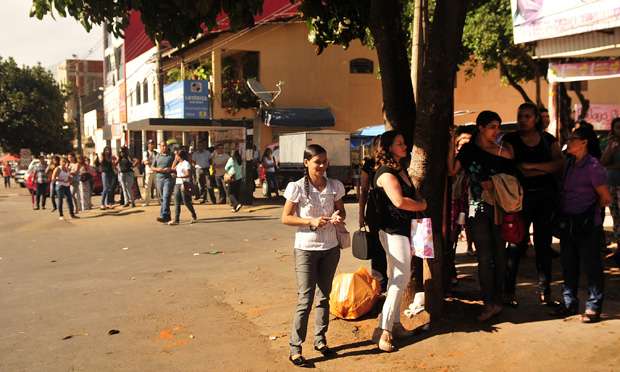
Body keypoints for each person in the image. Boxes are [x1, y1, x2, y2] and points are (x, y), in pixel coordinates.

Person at [448, 111, 517, 321]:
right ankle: (489, 303)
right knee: (485, 257)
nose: (496, 131)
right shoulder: (468, 150)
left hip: (500, 207)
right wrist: (451, 143)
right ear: (480, 127)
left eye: (498, 127)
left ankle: (498, 300)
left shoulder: (502, 150)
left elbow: (512, 166)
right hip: (476, 207)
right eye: (492, 127)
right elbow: (452, 171)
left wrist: (496, 150)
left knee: (500, 255)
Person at [281, 144, 346, 367]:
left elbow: (342, 210)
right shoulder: (297, 187)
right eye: (317, 162)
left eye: (324, 162)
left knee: (324, 296)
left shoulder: (334, 185)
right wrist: (310, 222)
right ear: (306, 162)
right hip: (306, 249)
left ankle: (320, 340)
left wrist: (338, 216)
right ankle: (295, 347)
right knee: (305, 298)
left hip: (330, 248)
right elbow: (286, 217)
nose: (321, 166)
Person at [371, 130, 427, 352]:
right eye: (400, 144)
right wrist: (422, 206)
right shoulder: (386, 173)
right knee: (401, 277)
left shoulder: (400, 169)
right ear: (389, 147)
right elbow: (399, 201)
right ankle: (384, 329)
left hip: (403, 230)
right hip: (393, 230)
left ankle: (394, 324)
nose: (405, 146)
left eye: (404, 143)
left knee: (398, 276)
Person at [502, 103, 564, 306]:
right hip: (520, 199)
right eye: (520, 115)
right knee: (515, 245)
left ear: (536, 118)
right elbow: (516, 168)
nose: (522, 119)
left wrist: (533, 166)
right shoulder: (510, 139)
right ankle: (509, 291)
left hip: (546, 198)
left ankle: (545, 291)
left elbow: (559, 164)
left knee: (543, 245)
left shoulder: (548, 140)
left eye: (527, 116)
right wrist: (542, 169)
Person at [554, 126, 611, 323]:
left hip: (587, 225)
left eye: (573, 138)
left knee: (592, 266)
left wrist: (590, 212)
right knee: (568, 265)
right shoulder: (569, 164)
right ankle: (569, 304)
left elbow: (606, 198)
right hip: (568, 223)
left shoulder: (593, 167)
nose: (568, 141)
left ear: (584, 142)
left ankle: (593, 306)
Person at [358, 136, 388, 291]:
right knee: (377, 246)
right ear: (376, 147)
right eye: (380, 145)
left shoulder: (392, 162)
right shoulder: (369, 164)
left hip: (392, 210)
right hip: (374, 209)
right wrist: (361, 214)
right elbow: (363, 190)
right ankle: (379, 280)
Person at [601, 118, 620, 246]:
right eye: (618, 127)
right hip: (613, 184)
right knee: (616, 216)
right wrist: (612, 147)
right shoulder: (610, 143)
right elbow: (604, 161)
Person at [169, 149, 197, 225]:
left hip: (184, 184)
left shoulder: (186, 163)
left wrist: (179, 176)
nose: (175, 157)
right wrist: (175, 161)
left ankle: (193, 214)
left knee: (186, 201)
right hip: (177, 184)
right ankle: (176, 219)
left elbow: (188, 174)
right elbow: (172, 169)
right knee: (176, 202)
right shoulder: (179, 164)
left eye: (176, 155)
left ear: (180, 156)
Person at [151, 141, 175, 223]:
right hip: (159, 178)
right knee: (162, 199)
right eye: (162, 146)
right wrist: (159, 169)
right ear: (160, 147)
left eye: (165, 146)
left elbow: (176, 165)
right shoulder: (157, 156)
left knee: (166, 196)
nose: (164, 147)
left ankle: (164, 215)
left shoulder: (171, 156)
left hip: (168, 178)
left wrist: (170, 169)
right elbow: (152, 167)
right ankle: (167, 216)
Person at [142, 140, 159, 206]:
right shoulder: (145, 152)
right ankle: (146, 202)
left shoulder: (156, 153)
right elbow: (145, 162)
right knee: (147, 187)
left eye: (152, 143)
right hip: (148, 171)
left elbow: (158, 161)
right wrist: (153, 162)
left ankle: (160, 201)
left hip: (155, 171)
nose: (151, 145)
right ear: (148, 145)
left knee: (158, 187)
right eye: (150, 144)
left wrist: (151, 162)